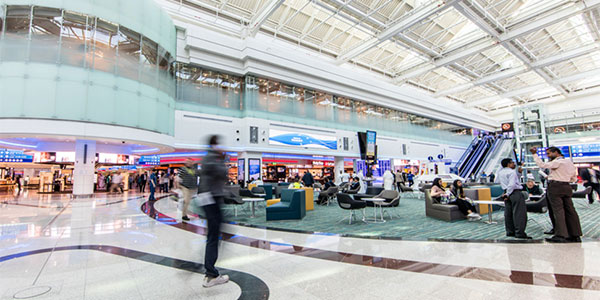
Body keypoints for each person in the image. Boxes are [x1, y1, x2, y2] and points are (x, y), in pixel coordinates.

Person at [531, 146, 581, 243]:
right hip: (566, 186)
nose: (548, 155)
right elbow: (573, 178)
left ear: (556, 152)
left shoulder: (558, 162)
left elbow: (542, 164)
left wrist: (534, 154)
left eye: (549, 153)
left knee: (558, 211)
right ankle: (575, 234)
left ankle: (561, 235)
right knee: (570, 211)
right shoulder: (569, 162)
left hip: (555, 187)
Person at [198, 135, 229, 287]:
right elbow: (223, 175)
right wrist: (223, 159)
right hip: (212, 199)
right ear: (215, 145)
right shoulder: (213, 158)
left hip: (207, 198)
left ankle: (210, 270)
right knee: (214, 236)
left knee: (213, 234)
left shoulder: (206, 158)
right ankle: (211, 274)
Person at [496, 158, 530, 239]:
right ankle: (519, 233)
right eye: (512, 163)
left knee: (509, 213)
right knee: (519, 213)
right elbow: (512, 184)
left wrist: (518, 173)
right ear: (508, 164)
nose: (514, 164)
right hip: (514, 193)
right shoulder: (511, 172)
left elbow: (512, 181)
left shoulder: (500, 172)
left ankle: (510, 231)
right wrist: (508, 193)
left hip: (506, 192)